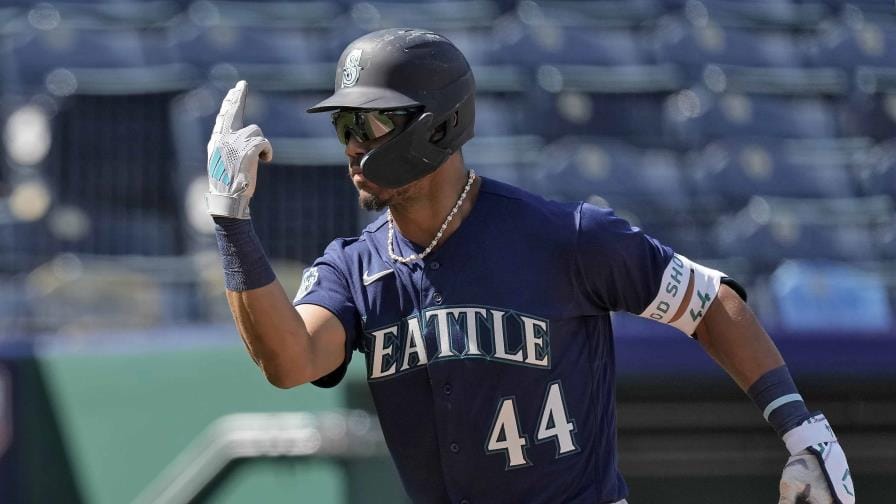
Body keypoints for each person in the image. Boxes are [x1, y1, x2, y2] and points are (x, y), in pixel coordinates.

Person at [205, 28, 854, 504]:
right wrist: (232, 221)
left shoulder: (565, 236)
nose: (351, 144)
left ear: (437, 126)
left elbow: (711, 303)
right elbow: (290, 360)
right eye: (342, 124)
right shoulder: (354, 267)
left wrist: (803, 432)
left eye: (368, 122)